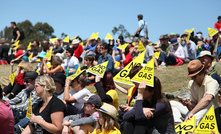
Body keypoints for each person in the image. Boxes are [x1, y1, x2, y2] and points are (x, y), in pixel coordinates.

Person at [171, 60, 219, 125]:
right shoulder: (191, 84)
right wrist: (188, 103)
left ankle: (189, 124)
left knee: (209, 104)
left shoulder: (212, 82)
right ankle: (179, 124)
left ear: (201, 74)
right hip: (196, 112)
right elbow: (193, 105)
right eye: (191, 76)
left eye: (194, 76)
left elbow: (208, 98)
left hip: (211, 113)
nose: (192, 79)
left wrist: (192, 112)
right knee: (172, 103)